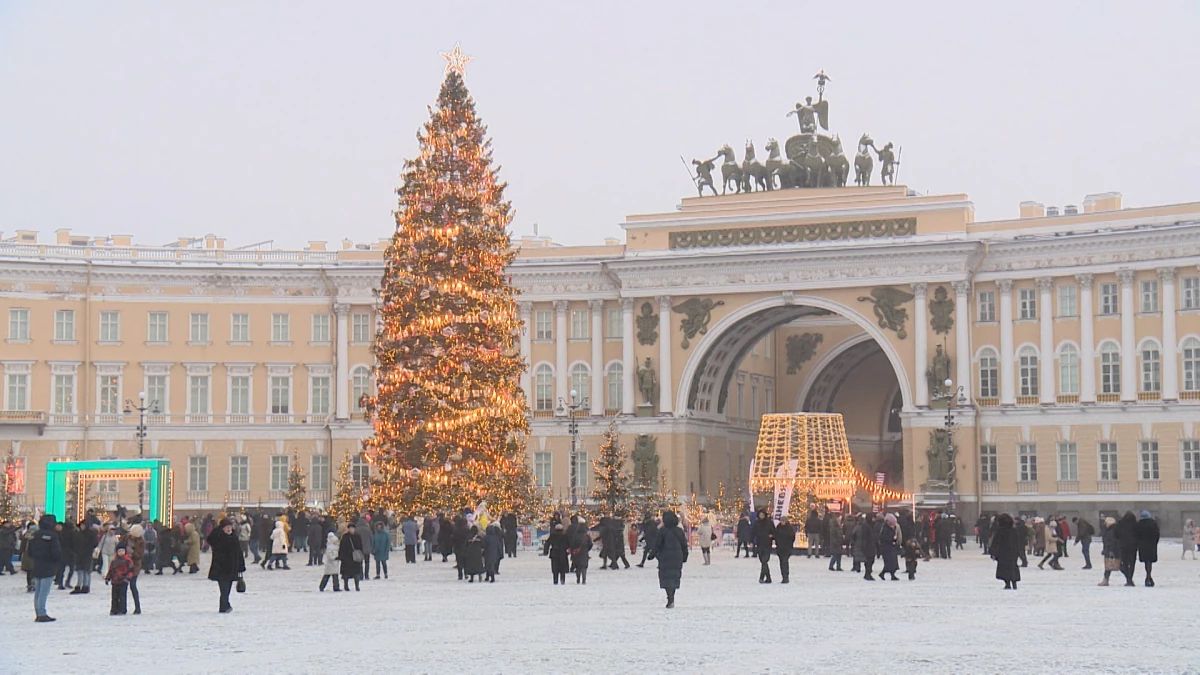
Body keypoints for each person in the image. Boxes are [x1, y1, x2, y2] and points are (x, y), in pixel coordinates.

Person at [205, 518, 244, 613]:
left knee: (227, 588)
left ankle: (225, 605)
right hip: (221, 567)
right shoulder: (218, 538)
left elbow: (239, 552)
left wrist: (241, 566)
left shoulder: (234, 537)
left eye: (230, 527)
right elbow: (211, 540)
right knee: (224, 588)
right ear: (222, 528)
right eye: (227, 527)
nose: (229, 529)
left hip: (232, 567)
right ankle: (224, 606)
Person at [651, 510, 688, 609]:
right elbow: (684, 545)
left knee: (666, 577)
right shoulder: (679, 531)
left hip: (665, 557)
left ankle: (670, 597)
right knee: (674, 577)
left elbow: (657, 545)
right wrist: (685, 556)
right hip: (677, 557)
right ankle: (672, 597)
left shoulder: (662, 531)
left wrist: (652, 555)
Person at [29, 514, 62, 622]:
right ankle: (42, 613)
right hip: (49, 566)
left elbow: (29, 551)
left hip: (37, 565)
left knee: (38, 591)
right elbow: (56, 553)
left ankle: (38, 612)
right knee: (44, 591)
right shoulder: (52, 536)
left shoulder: (35, 535)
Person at [990, 513, 1021, 589]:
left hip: (1003, 554)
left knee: (1004, 569)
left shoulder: (1000, 531)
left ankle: (1007, 583)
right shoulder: (1013, 530)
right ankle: (1014, 582)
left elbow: (996, 542)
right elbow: (1018, 542)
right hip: (1013, 553)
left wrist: (993, 552)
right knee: (1013, 567)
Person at [105, 542, 133, 615]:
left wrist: (128, 578)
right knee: (114, 597)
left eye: (122, 551)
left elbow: (131, 570)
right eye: (119, 551)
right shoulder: (114, 561)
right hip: (115, 581)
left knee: (122, 596)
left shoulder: (127, 560)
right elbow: (111, 570)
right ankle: (114, 609)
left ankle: (122, 609)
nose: (121, 553)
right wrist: (108, 578)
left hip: (123, 581)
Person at [70, 522, 98, 594]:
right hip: (80, 554)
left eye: (83, 525)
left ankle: (85, 586)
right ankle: (81, 585)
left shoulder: (90, 534)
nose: (82, 527)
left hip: (87, 554)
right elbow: (73, 543)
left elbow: (94, 543)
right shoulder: (78, 534)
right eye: (81, 525)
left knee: (86, 571)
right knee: (81, 570)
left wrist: (88, 549)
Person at [123, 524, 145, 614]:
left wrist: (132, 552)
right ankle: (122, 607)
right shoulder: (125, 538)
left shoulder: (141, 542)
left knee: (133, 586)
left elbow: (139, 555)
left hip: (135, 565)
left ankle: (137, 607)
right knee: (123, 587)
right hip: (124, 564)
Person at [338, 522, 364, 591]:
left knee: (356, 573)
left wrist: (361, 554)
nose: (351, 530)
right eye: (350, 528)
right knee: (346, 574)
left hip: (355, 558)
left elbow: (361, 546)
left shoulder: (358, 536)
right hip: (347, 558)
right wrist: (341, 556)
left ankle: (357, 586)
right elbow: (342, 547)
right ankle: (346, 585)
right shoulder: (345, 537)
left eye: (352, 528)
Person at [1136, 510, 1159, 587]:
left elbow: (1137, 535)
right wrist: (1155, 542)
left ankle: (1148, 576)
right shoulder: (1153, 523)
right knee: (1149, 561)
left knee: (1146, 561)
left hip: (1143, 546)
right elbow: (1157, 534)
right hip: (1151, 545)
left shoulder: (1139, 524)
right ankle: (1148, 576)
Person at [1115, 511, 1139, 586]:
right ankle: (1130, 578)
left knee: (1125, 563)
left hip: (1123, 546)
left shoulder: (1120, 524)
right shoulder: (1135, 525)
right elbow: (1138, 535)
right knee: (1132, 563)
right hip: (1133, 546)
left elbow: (1116, 534)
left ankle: (1128, 579)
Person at [752, 508, 775, 583]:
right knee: (762, 561)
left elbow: (774, 531)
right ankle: (768, 578)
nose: (761, 516)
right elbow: (753, 532)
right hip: (759, 543)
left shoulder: (769, 522)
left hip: (767, 543)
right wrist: (751, 541)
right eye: (760, 515)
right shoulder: (756, 523)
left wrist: (772, 536)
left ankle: (762, 577)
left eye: (762, 515)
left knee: (765, 561)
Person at [878, 514, 902, 581]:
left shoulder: (891, 527)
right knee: (889, 562)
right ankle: (883, 573)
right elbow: (883, 537)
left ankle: (892, 575)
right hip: (887, 547)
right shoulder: (885, 528)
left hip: (891, 547)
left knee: (893, 562)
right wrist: (892, 540)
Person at [1098, 517, 1120, 586]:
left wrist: (1110, 550)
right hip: (1111, 550)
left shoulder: (1111, 531)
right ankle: (1129, 579)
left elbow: (1111, 542)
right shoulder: (1112, 530)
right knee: (1112, 566)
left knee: (1110, 566)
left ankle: (1105, 580)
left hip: (1111, 550)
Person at [775, 515, 796, 583]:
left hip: (787, 548)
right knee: (782, 563)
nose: (782, 522)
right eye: (781, 521)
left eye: (783, 521)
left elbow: (792, 537)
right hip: (780, 548)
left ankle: (785, 577)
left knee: (784, 562)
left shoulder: (789, 528)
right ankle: (783, 576)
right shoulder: (778, 527)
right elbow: (776, 535)